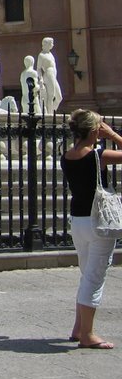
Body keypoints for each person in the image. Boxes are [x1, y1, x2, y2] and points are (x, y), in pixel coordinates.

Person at [61, 109, 122, 349]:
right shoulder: (97, 156)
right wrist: (114, 136)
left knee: (87, 275)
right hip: (99, 222)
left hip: (78, 220)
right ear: (95, 130)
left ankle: (78, 328)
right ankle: (87, 334)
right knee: (94, 279)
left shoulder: (66, 156)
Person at [37, 37, 63, 114]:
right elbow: (38, 68)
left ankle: (51, 111)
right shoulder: (41, 55)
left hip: (53, 76)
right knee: (51, 96)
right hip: (48, 75)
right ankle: (50, 115)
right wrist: (40, 78)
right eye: (51, 43)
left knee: (59, 97)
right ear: (46, 44)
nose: (53, 45)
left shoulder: (50, 54)